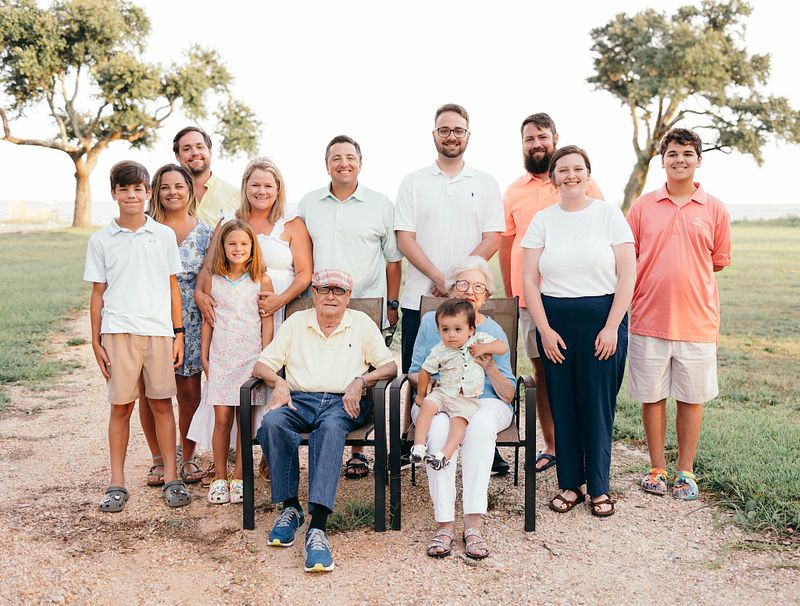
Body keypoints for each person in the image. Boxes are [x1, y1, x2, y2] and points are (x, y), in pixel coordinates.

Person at [253, 269, 396, 573]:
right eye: (324, 289)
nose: (331, 296)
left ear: (348, 297)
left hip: (343, 401)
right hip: (300, 399)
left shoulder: (361, 323)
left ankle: (318, 526)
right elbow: (262, 365)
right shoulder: (296, 323)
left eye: (338, 290)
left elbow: (389, 366)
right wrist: (278, 383)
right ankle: (291, 508)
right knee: (273, 423)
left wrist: (361, 380)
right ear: (314, 294)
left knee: (330, 429)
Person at [521, 146, 635, 518]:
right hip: (555, 322)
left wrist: (612, 326)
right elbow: (529, 280)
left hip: (603, 320)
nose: (571, 175)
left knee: (597, 405)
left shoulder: (608, 215)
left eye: (578, 169)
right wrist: (544, 330)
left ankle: (599, 487)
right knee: (563, 402)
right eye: (563, 170)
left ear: (588, 174)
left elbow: (627, 275)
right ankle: (570, 484)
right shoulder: (543, 220)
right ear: (553, 177)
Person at [395, 103, 508, 474]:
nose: (451, 136)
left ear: (468, 136)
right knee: (421, 369)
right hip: (421, 295)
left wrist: (460, 280)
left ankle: (485, 445)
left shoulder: (485, 182)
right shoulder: (413, 181)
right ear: (434, 135)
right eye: (444, 130)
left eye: (458, 130)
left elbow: (493, 237)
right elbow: (405, 238)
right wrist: (440, 278)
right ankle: (413, 439)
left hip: (469, 294)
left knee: (473, 364)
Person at [626, 128, 731, 500]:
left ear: (698, 160)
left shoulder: (715, 208)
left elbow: (716, 261)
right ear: (662, 160)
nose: (679, 159)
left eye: (687, 153)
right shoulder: (642, 207)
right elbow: (628, 257)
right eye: (672, 153)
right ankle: (657, 468)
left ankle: (686, 471)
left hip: (697, 322)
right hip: (648, 318)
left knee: (691, 398)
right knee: (652, 397)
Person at [499, 113, 605, 474]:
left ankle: (586, 448)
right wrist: (511, 295)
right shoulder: (514, 191)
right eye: (529, 139)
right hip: (531, 302)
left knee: (581, 373)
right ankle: (553, 446)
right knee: (543, 375)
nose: (536, 144)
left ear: (555, 138)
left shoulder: (581, 184)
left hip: (577, 297)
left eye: (542, 136)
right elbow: (507, 246)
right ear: (522, 145)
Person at [84, 160, 191, 511]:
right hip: (118, 332)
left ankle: (172, 478)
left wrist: (178, 333)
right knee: (121, 406)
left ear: (147, 193)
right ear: (114, 193)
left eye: (137, 189)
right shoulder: (101, 239)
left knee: (161, 403)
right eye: (124, 189)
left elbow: (172, 287)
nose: (131, 195)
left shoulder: (162, 235)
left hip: (158, 332)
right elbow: (98, 293)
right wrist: (96, 340)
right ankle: (116, 483)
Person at [298, 135, 402, 479]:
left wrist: (392, 304)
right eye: (336, 158)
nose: (343, 163)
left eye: (350, 157)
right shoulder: (309, 203)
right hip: (323, 301)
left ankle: (358, 451)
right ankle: (322, 439)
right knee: (324, 371)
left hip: (367, 301)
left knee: (364, 374)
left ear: (360, 162)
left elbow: (392, 260)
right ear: (326, 164)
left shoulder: (380, 204)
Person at [408, 257, 515, 559]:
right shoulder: (432, 323)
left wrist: (490, 366)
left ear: (486, 297)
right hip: (441, 397)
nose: (470, 291)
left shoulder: (492, 333)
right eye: (463, 284)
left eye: (478, 287)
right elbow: (415, 372)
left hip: (486, 400)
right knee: (439, 428)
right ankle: (444, 524)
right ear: (451, 289)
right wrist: (437, 383)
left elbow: (508, 393)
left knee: (480, 425)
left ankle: (473, 523)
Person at [187, 219, 274, 504]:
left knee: (244, 419)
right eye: (232, 243)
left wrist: (265, 356)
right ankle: (219, 477)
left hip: (250, 358)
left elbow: (267, 321)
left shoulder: (261, 279)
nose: (238, 248)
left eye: (244, 244)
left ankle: (239, 477)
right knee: (222, 418)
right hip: (222, 357)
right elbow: (208, 321)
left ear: (252, 247)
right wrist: (204, 355)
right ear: (222, 247)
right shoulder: (213, 280)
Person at [138, 164, 213, 488]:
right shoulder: (145, 229)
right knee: (150, 392)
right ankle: (158, 457)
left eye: (179, 186)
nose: (172, 192)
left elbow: (211, 277)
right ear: (155, 191)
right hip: (151, 316)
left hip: (192, 320)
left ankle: (188, 455)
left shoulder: (205, 231)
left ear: (189, 190)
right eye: (165, 187)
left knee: (189, 392)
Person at [196, 157, 312, 336]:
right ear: (245, 186)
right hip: (235, 317)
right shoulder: (228, 222)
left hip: (280, 311)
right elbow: (208, 267)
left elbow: (304, 273)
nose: (261, 191)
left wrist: (280, 300)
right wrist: (199, 293)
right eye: (255, 185)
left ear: (278, 189)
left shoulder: (292, 224)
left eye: (268, 186)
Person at [411, 299, 508, 470]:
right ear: (439, 330)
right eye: (445, 330)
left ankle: (444, 455)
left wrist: (485, 348)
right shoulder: (439, 350)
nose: (451, 335)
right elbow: (424, 371)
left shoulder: (478, 341)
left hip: (466, 398)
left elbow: (502, 347)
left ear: (470, 330)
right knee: (427, 406)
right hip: (443, 392)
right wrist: (420, 395)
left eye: (457, 329)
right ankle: (418, 446)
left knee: (459, 424)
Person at [173, 126, 239, 226]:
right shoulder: (168, 196)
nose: (195, 153)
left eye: (199, 147)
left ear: (210, 151)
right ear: (177, 156)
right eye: (186, 149)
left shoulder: (236, 196)